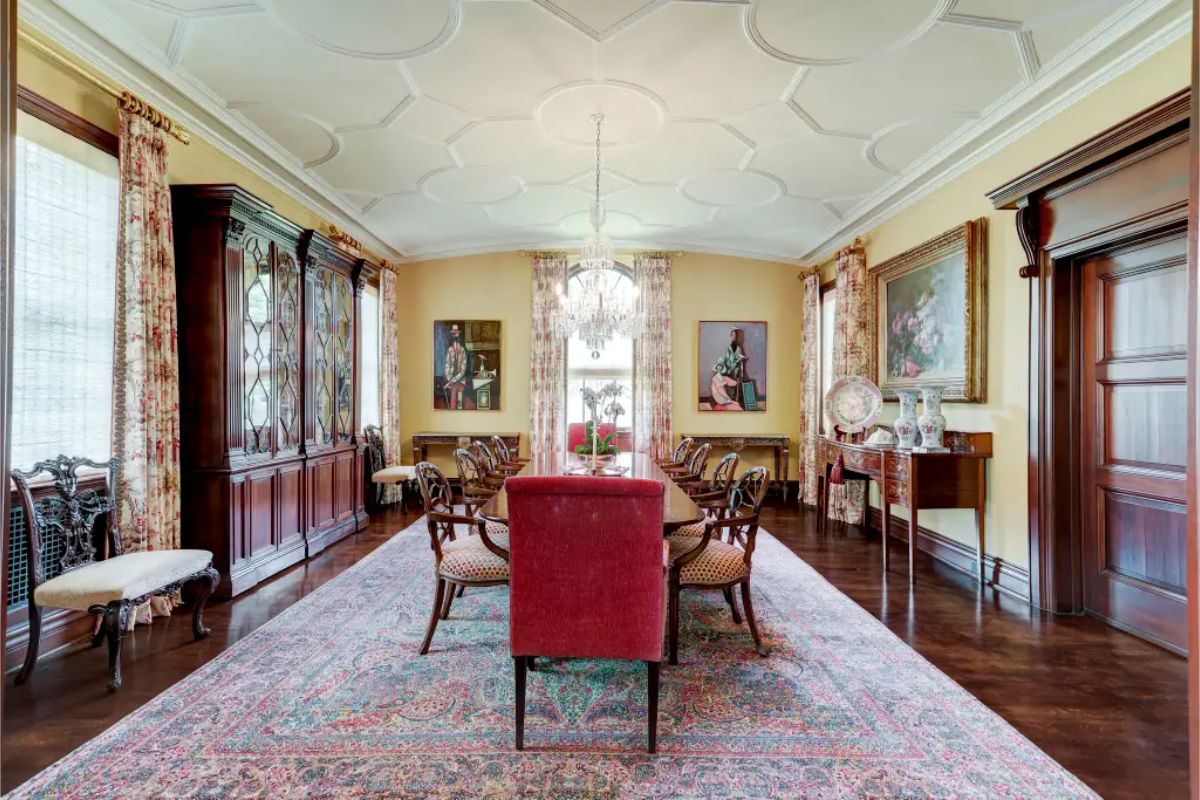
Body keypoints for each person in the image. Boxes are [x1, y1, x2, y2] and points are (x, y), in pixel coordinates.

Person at [442, 323, 468, 409]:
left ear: (459, 334)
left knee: (459, 400)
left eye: (456, 333)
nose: (455, 335)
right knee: (453, 398)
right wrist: (449, 378)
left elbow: (463, 370)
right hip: (452, 380)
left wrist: (453, 380)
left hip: (461, 379)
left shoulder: (463, 350)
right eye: (453, 333)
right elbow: (447, 365)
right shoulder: (449, 350)